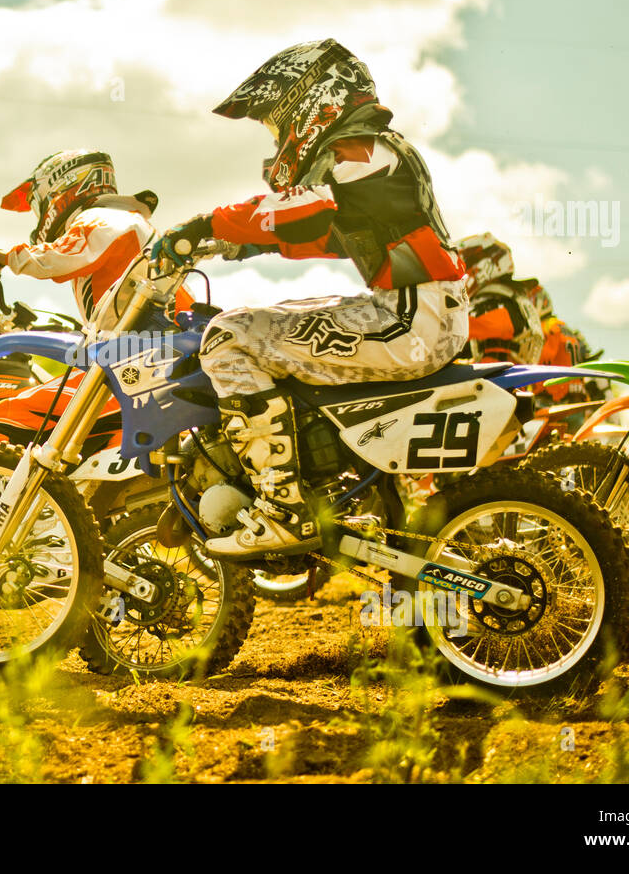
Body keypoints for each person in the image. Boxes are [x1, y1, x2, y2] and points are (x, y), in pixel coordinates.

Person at [147, 39, 469, 557]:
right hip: (421, 311)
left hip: (411, 318)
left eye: (277, 123)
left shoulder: (361, 147)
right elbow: (331, 235)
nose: (277, 139)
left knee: (229, 336)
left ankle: (285, 508)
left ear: (311, 100)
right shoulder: (377, 150)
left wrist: (204, 223)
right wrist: (237, 244)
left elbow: (306, 213)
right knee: (261, 326)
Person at [0, 150, 188, 444]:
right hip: (158, 363)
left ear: (61, 187)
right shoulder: (128, 222)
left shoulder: (103, 218)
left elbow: (59, 256)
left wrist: (2, 258)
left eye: (38, 204)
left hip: (139, 367)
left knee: (0, 421)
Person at [457, 233, 545, 365]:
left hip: (495, 376)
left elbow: (459, 327)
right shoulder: (513, 296)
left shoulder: (496, 299)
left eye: (467, 263)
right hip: (508, 374)